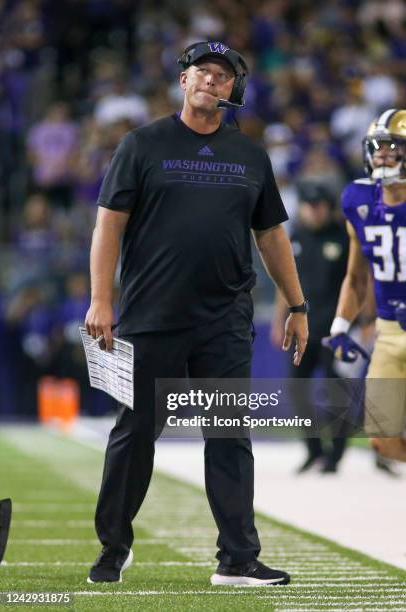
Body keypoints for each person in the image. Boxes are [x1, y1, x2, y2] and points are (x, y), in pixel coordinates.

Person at [84, 41, 308, 586]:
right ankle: (113, 548)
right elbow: (108, 225)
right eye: (202, 72)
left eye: (223, 75)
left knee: (229, 434)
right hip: (150, 315)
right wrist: (101, 299)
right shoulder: (142, 144)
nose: (213, 81)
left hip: (225, 320)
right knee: (135, 433)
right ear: (182, 81)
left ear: (234, 89)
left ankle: (237, 558)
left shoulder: (251, 155)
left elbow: (271, 235)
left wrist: (297, 303)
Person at [323, 108, 406, 462]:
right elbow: (356, 276)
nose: (382, 155)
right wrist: (341, 325)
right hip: (388, 331)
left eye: (392, 147)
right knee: (382, 439)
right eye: (377, 148)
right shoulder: (358, 201)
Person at [271, 182, 349, 473]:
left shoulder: (343, 237)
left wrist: (359, 322)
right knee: (297, 389)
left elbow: (356, 282)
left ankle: (336, 454)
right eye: (309, 206)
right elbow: (284, 283)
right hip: (302, 328)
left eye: (319, 206)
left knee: (335, 391)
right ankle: (314, 449)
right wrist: (280, 319)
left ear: (329, 208)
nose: (314, 212)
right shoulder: (294, 237)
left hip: (335, 329)